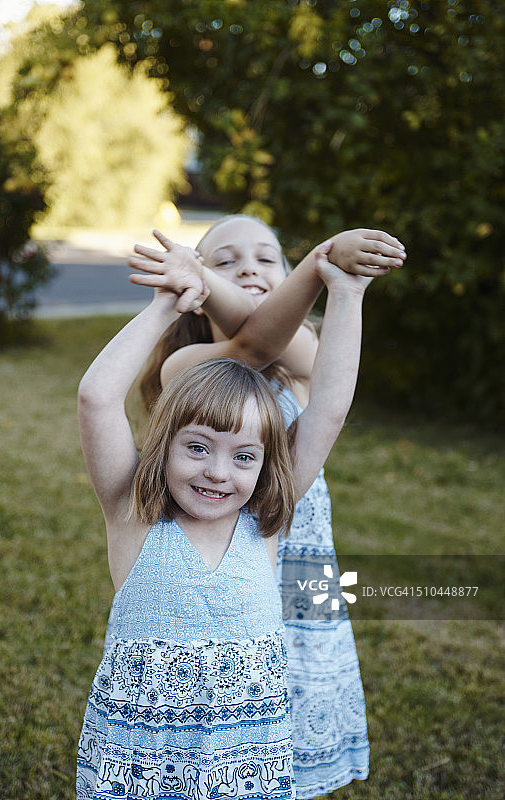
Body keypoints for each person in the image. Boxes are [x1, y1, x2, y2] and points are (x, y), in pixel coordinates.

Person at [76, 244, 378, 799]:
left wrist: (347, 293)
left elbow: (330, 407)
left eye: (244, 456)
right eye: (197, 447)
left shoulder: (264, 518)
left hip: (245, 755)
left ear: (266, 466)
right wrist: (166, 305)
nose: (218, 473)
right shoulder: (131, 512)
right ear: (162, 446)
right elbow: (97, 397)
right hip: (142, 755)